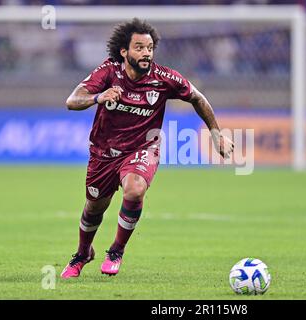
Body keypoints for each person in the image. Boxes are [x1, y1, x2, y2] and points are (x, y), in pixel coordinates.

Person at [61, 18, 234, 278]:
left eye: (150, 48)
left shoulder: (164, 78)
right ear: (124, 51)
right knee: (94, 207)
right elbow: (72, 101)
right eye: (139, 48)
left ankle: (116, 250)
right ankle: (83, 253)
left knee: (134, 189)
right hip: (104, 151)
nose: (146, 54)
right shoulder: (108, 72)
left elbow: (198, 98)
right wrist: (99, 96)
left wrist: (216, 133)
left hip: (144, 146)